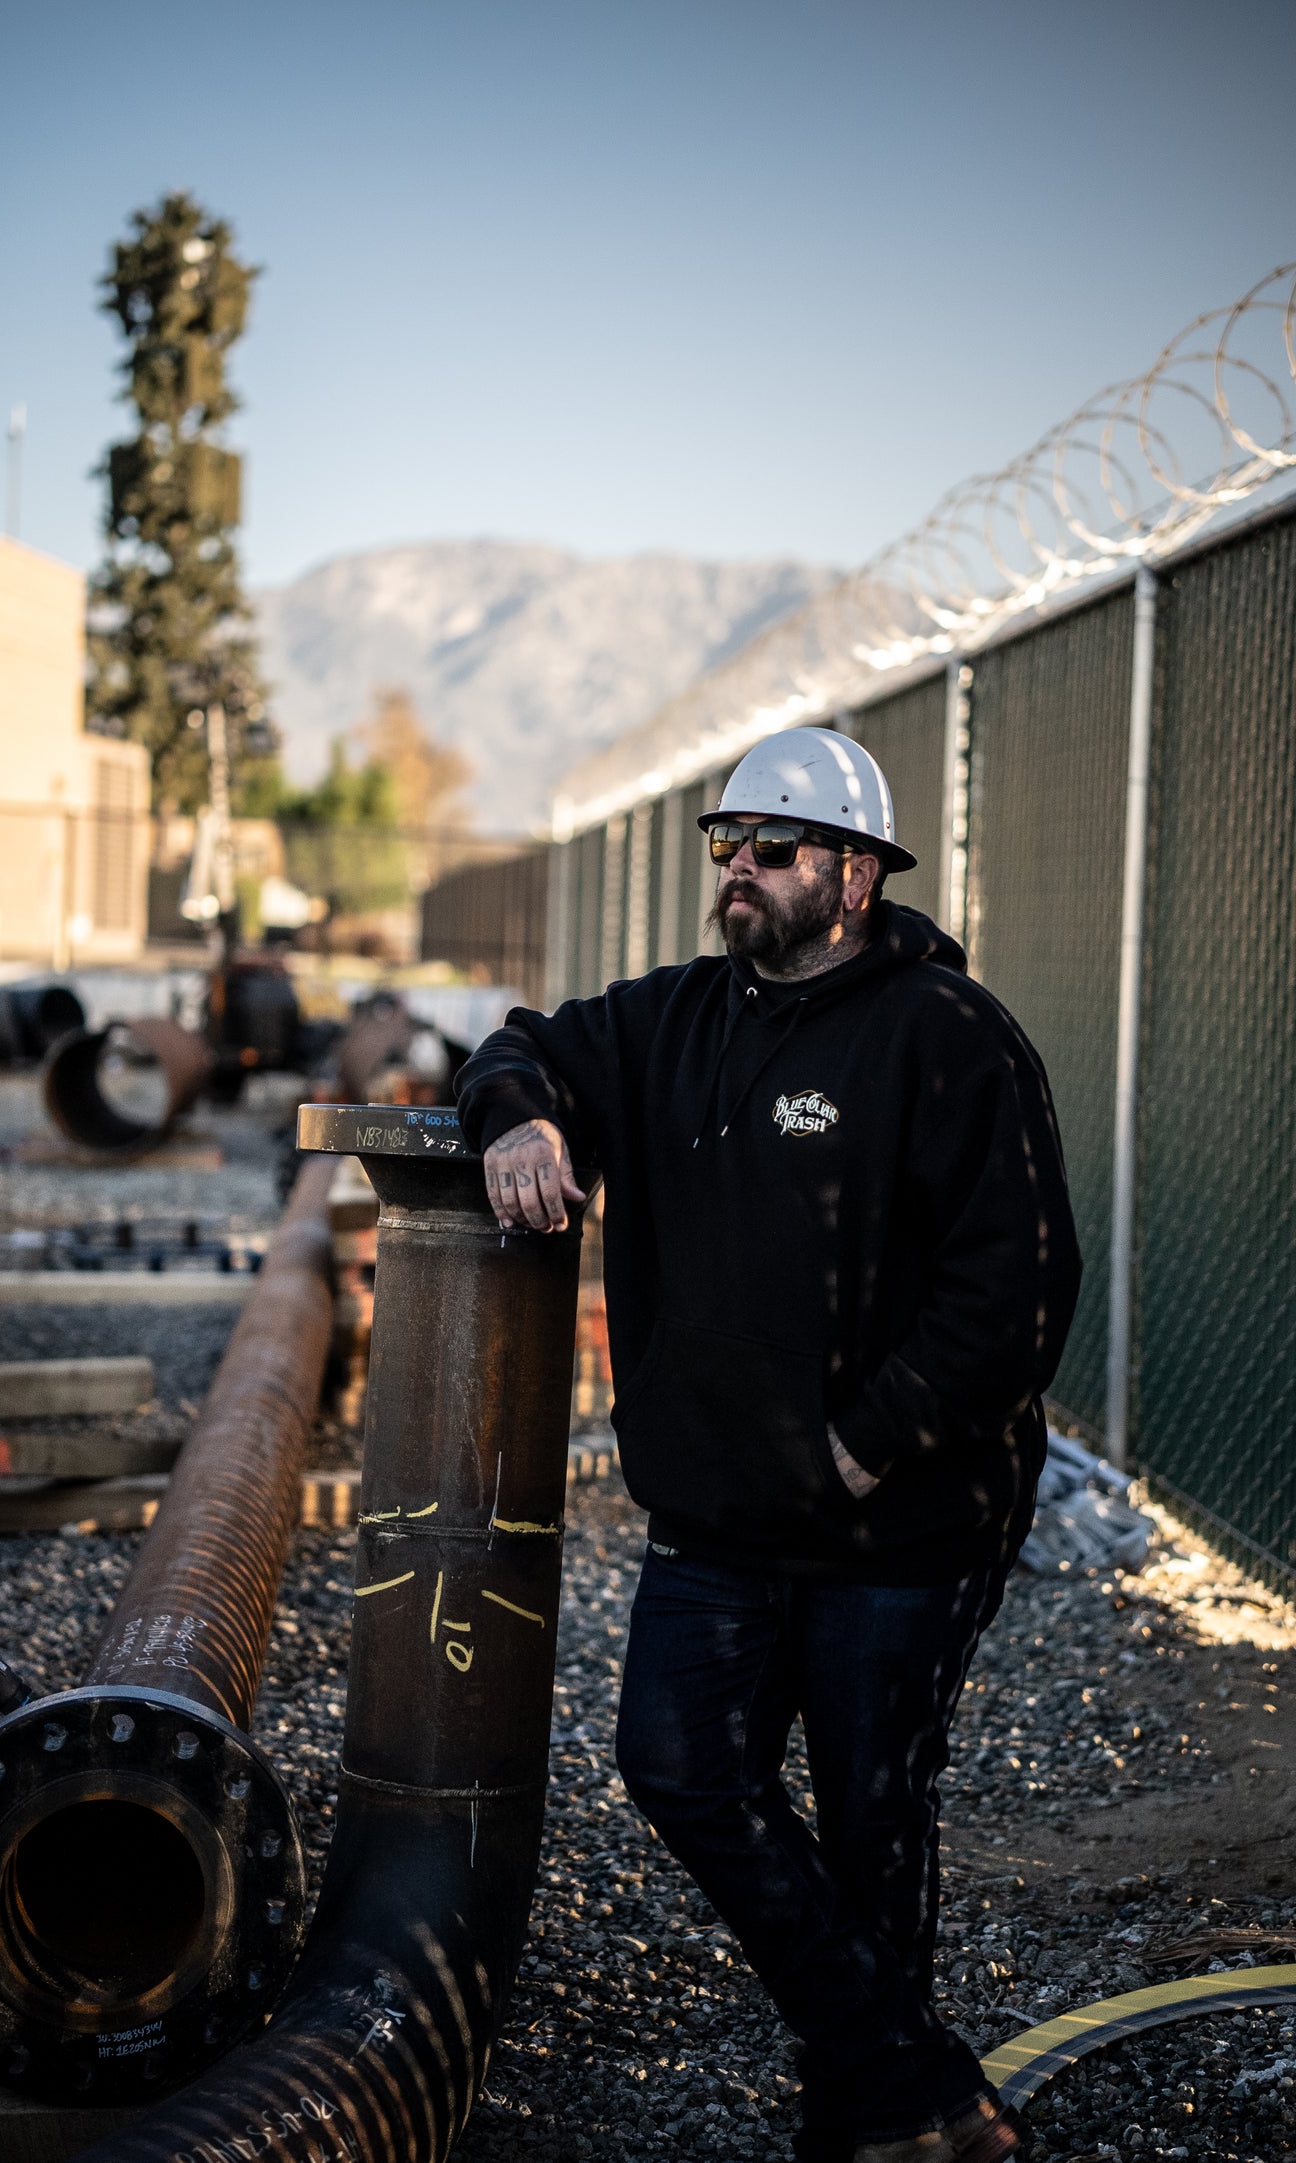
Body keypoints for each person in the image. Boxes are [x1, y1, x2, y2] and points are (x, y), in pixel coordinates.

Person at [455, 726, 1081, 2163]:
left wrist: (862, 1450)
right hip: (717, 1524)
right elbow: (521, 1043)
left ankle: (861, 2126)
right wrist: (518, 1120)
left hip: (895, 1529)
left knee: (872, 1828)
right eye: (725, 846)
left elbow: (1018, 1288)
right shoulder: (673, 1019)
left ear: (853, 876)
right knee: (677, 1767)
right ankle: (913, 2087)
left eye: (773, 849)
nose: (737, 871)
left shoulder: (948, 1037)